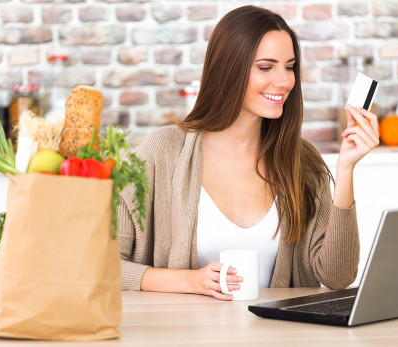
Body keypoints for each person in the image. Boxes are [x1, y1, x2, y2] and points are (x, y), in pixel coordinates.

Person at [117, 5, 380, 300]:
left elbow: (338, 277)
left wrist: (346, 169)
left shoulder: (302, 161)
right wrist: (189, 281)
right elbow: (102, 264)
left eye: (289, 66)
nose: (284, 81)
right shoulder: (160, 152)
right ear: (229, 70)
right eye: (266, 67)